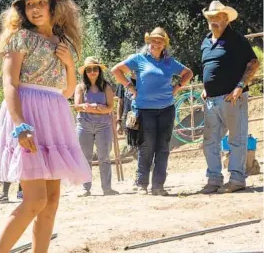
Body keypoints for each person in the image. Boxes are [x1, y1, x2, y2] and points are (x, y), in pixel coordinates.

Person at [0, 0, 92, 253]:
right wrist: (19, 123)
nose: (35, 9)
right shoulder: (19, 39)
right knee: (35, 198)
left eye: (42, 2)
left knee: (52, 200)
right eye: (29, 3)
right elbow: (10, 83)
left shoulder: (63, 44)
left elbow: (68, 91)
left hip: (55, 114)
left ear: (56, 7)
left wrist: (70, 63)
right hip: (27, 115)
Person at [111, 27, 193, 196]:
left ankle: (158, 185)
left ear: (164, 44)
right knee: (146, 146)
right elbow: (116, 70)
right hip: (145, 109)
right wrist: (130, 87)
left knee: (163, 147)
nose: (156, 43)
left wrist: (177, 88)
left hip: (166, 109)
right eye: (153, 40)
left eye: (160, 41)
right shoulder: (138, 59)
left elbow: (188, 73)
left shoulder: (170, 62)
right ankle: (141, 183)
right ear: (148, 42)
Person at [199, 1, 260, 194]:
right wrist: (204, 87)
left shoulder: (236, 39)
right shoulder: (206, 41)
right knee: (210, 140)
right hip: (211, 99)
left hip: (232, 97)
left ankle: (236, 179)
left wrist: (240, 87)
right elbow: (207, 67)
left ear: (226, 18)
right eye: (211, 17)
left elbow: (253, 62)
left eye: (217, 17)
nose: (213, 21)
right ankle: (214, 179)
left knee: (237, 138)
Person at [75, 57, 119, 196]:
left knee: (104, 157)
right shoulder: (80, 87)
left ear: (99, 71)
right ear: (85, 72)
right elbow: (77, 106)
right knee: (84, 157)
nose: (92, 72)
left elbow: (110, 107)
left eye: (95, 69)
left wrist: (93, 108)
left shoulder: (106, 86)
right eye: (89, 69)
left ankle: (107, 188)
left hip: (103, 126)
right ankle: (85, 188)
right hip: (84, 125)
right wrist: (95, 108)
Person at [115, 70, 138, 158]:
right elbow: (120, 103)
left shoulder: (144, 81)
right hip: (128, 118)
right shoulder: (123, 82)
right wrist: (119, 121)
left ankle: (146, 168)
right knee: (132, 147)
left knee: (144, 145)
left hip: (143, 116)